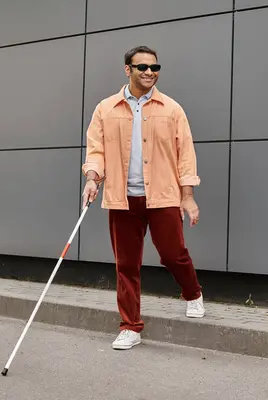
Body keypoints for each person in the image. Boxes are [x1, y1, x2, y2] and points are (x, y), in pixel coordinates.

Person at [81, 45, 205, 350]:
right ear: (128, 70)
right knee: (126, 264)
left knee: (173, 254)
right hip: (123, 199)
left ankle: (193, 293)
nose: (150, 72)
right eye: (143, 67)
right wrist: (92, 178)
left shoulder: (172, 109)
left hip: (162, 196)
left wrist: (187, 197)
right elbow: (96, 150)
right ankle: (130, 326)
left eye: (155, 67)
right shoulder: (106, 109)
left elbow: (185, 155)